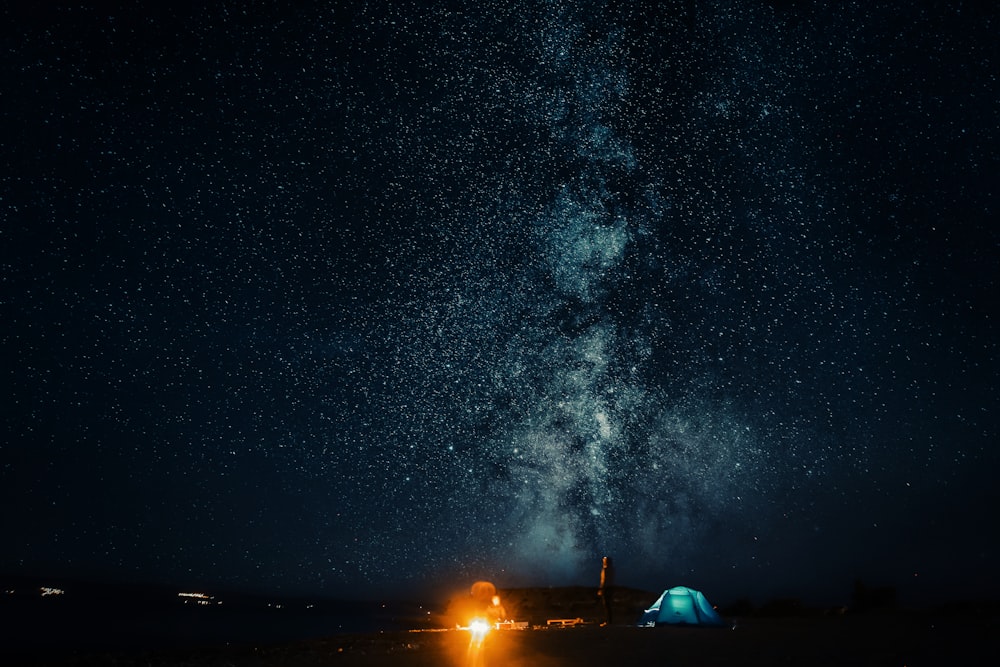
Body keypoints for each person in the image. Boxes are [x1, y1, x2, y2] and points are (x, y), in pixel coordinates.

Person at [598, 555, 615, 626]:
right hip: (611, 588)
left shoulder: (605, 569)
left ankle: (608, 622)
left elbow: (603, 580)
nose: (603, 562)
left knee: (606, 605)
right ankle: (609, 621)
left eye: (604, 561)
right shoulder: (612, 569)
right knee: (609, 605)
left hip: (606, 588)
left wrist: (601, 589)